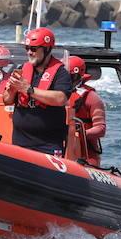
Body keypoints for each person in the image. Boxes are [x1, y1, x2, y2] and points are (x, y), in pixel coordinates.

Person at [5, 27, 72, 155]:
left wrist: (29, 89)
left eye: (34, 49)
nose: (29, 52)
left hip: (48, 143)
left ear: (47, 50)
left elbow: (60, 98)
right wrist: (12, 89)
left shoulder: (61, 73)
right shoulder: (22, 69)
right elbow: (7, 100)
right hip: (20, 140)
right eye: (27, 48)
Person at [66, 55, 106, 167]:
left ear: (77, 76)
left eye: (68, 76)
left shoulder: (91, 97)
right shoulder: (55, 95)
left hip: (86, 154)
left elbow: (101, 129)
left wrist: (78, 134)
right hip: (59, 149)